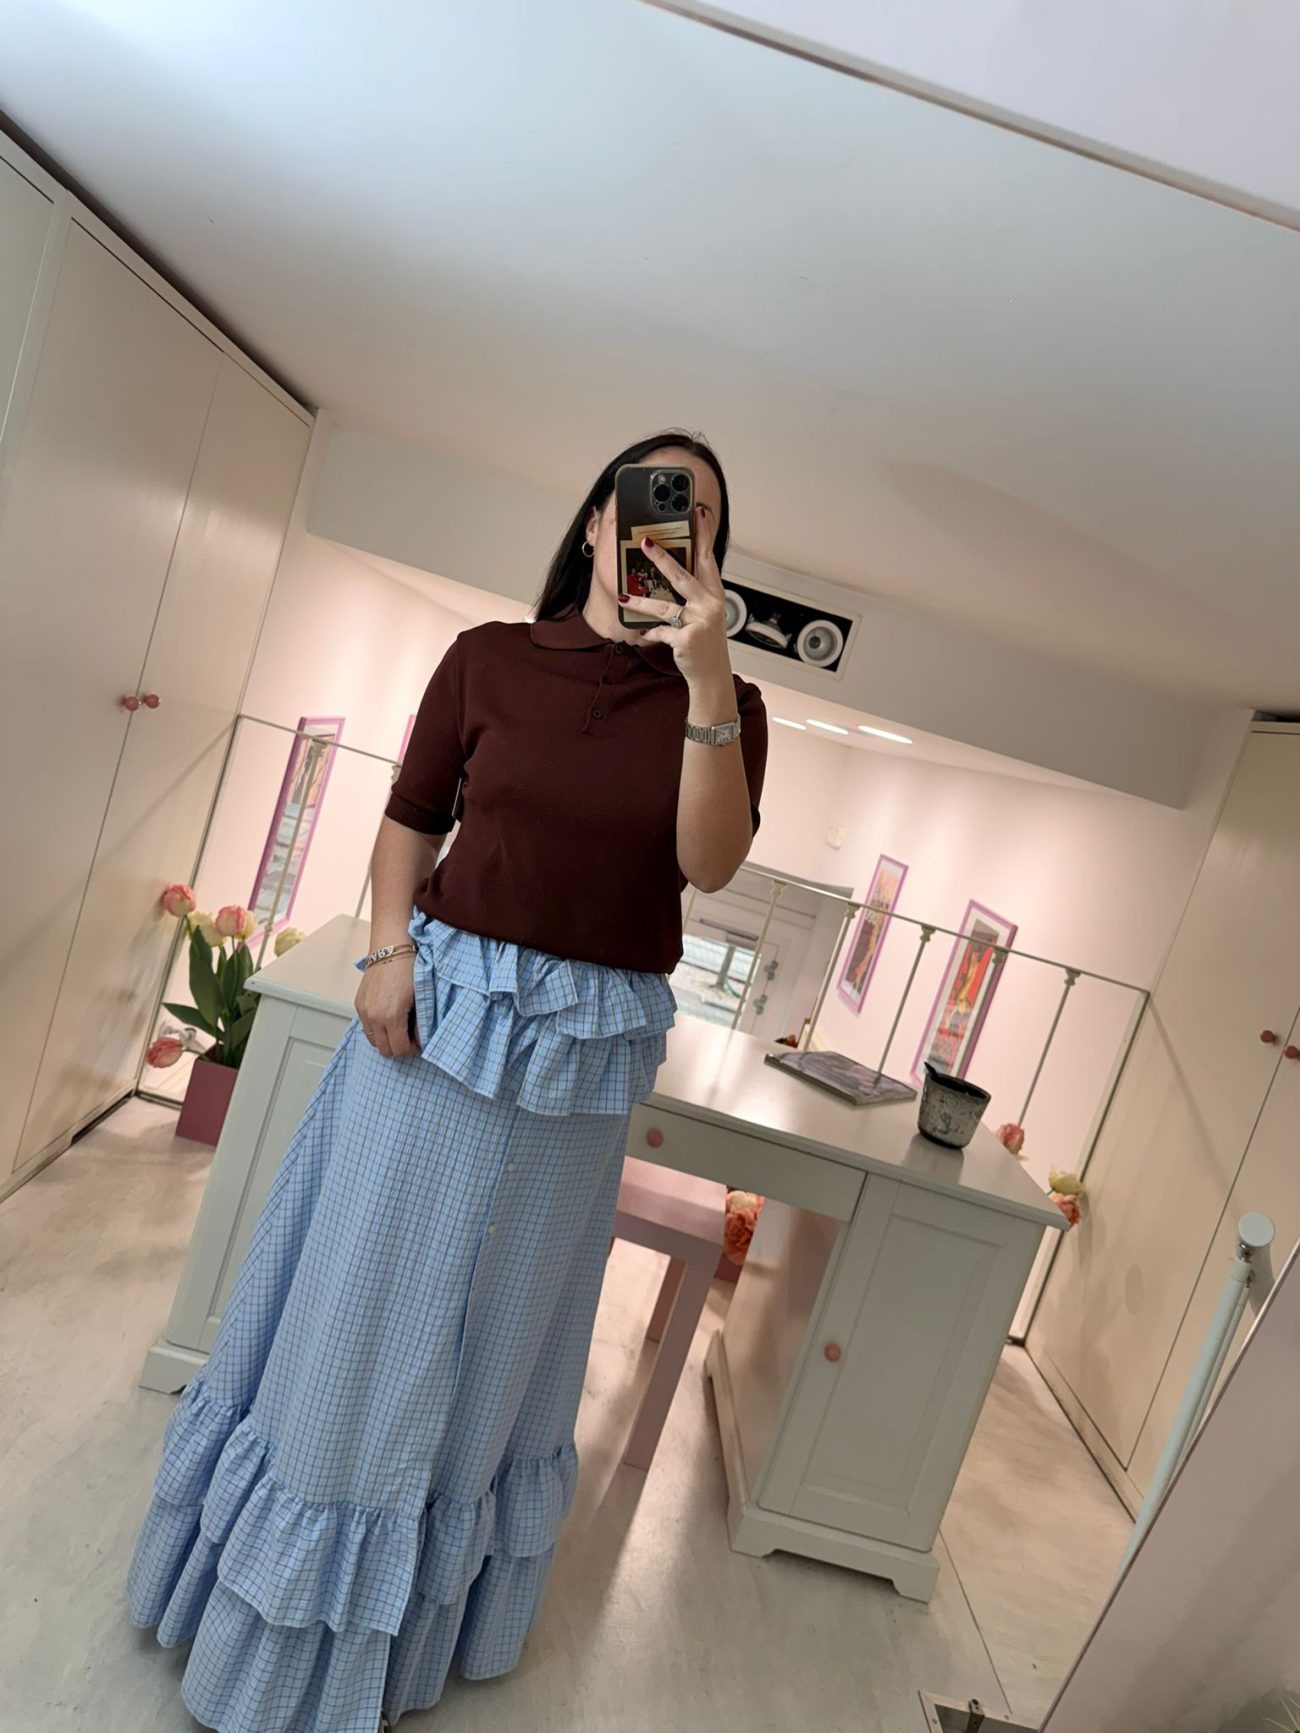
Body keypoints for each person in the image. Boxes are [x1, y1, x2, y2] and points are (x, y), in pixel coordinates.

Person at [127, 430, 768, 1732]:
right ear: (596, 522)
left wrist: (707, 676)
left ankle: (410, 1631)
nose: (670, 527)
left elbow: (709, 865)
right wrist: (385, 951)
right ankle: (272, 1622)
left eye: (698, 516)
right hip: (443, 1011)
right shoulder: (487, 658)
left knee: (505, 1336)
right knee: (363, 1305)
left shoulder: (728, 705)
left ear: (712, 553)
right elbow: (412, 818)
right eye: (650, 502)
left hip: (585, 1056)